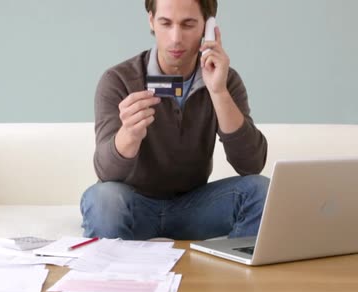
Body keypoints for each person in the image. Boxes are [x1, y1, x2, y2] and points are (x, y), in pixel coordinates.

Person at [80, 0, 269, 240]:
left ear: (207, 26)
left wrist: (219, 93)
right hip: (133, 205)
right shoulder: (118, 80)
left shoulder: (225, 81)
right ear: (151, 20)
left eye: (188, 24)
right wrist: (129, 135)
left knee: (260, 191)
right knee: (102, 199)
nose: (175, 38)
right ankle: (118, 275)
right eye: (165, 23)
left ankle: (231, 274)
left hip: (194, 207)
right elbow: (106, 173)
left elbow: (251, 165)